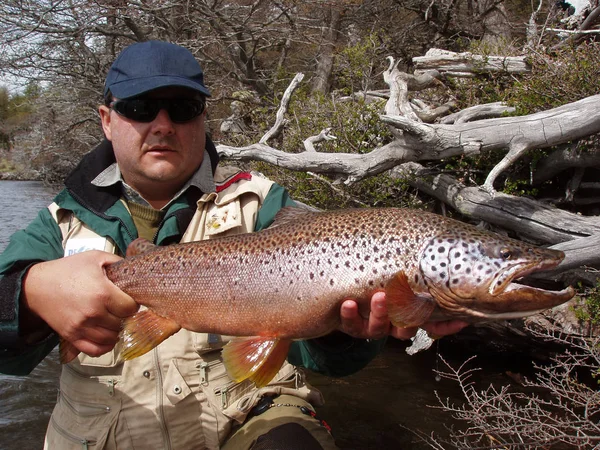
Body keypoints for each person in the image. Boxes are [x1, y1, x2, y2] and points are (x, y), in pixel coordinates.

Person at [0, 40, 466, 450]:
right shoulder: (55, 225)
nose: (162, 125)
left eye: (181, 108)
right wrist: (32, 292)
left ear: (203, 118)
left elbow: (317, 357)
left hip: (246, 423)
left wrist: (344, 331)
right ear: (106, 120)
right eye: (140, 108)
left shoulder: (264, 205)